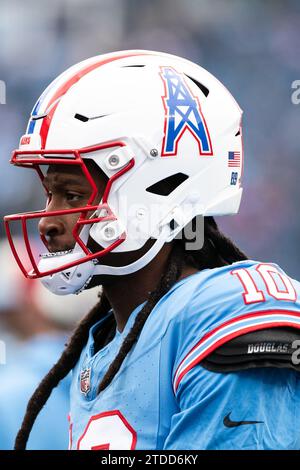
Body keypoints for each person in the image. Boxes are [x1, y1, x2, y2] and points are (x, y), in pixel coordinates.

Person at [4, 50, 300, 450]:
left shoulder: (228, 310)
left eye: (73, 194)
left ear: (160, 187)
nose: (47, 221)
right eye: (50, 194)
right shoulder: (106, 339)